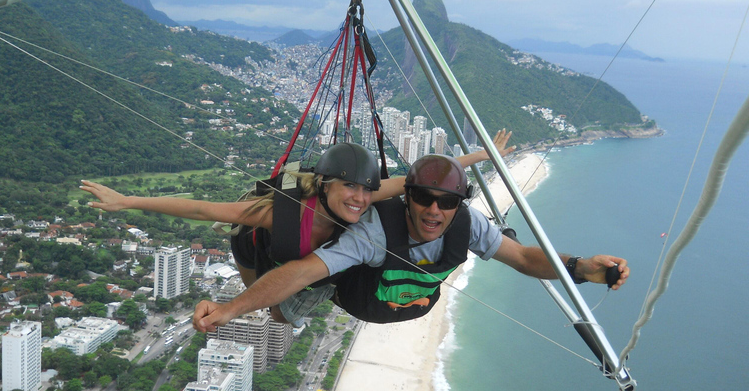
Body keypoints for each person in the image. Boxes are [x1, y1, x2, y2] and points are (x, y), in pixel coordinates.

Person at [81, 131, 514, 325]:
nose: (360, 199)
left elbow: (427, 179)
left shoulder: (371, 196)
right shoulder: (283, 214)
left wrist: (485, 155)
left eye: (366, 190)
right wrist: (128, 201)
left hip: (313, 265)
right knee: (276, 313)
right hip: (264, 255)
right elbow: (202, 210)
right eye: (350, 188)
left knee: (299, 304)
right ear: (326, 184)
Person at [192, 152, 629, 331]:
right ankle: (253, 251)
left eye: (446, 202)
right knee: (283, 315)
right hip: (357, 293)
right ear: (407, 198)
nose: (434, 210)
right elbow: (305, 270)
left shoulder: (468, 224)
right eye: (422, 197)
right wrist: (230, 309)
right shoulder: (376, 231)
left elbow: (525, 258)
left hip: (409, 306)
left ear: (459, 204)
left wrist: (582, 268)